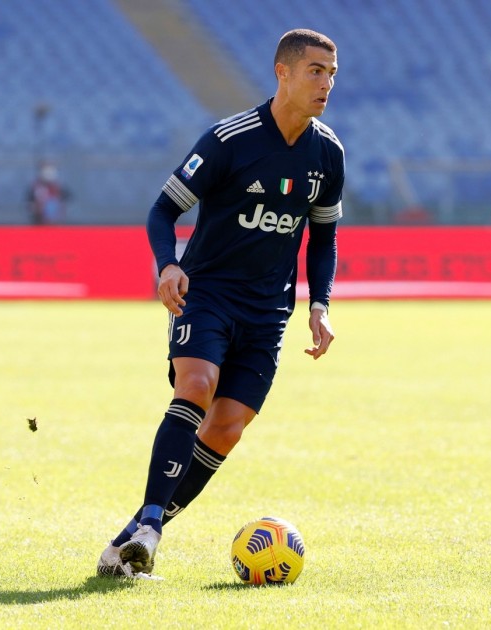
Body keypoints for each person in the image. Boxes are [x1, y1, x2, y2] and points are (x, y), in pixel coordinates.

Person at [97, 28, 344, 579]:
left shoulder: (328, 153)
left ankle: (128, 542)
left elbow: (323, 237)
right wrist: (167, 264)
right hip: (207, 294)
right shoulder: (229, 140)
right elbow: (163, 211)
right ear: (282, 72)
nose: (326, 82)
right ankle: (153, 526)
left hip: (267, 313)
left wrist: (320, 304)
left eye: (331, 73)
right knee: (197, 387)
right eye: (315, 71)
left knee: (227, 427)